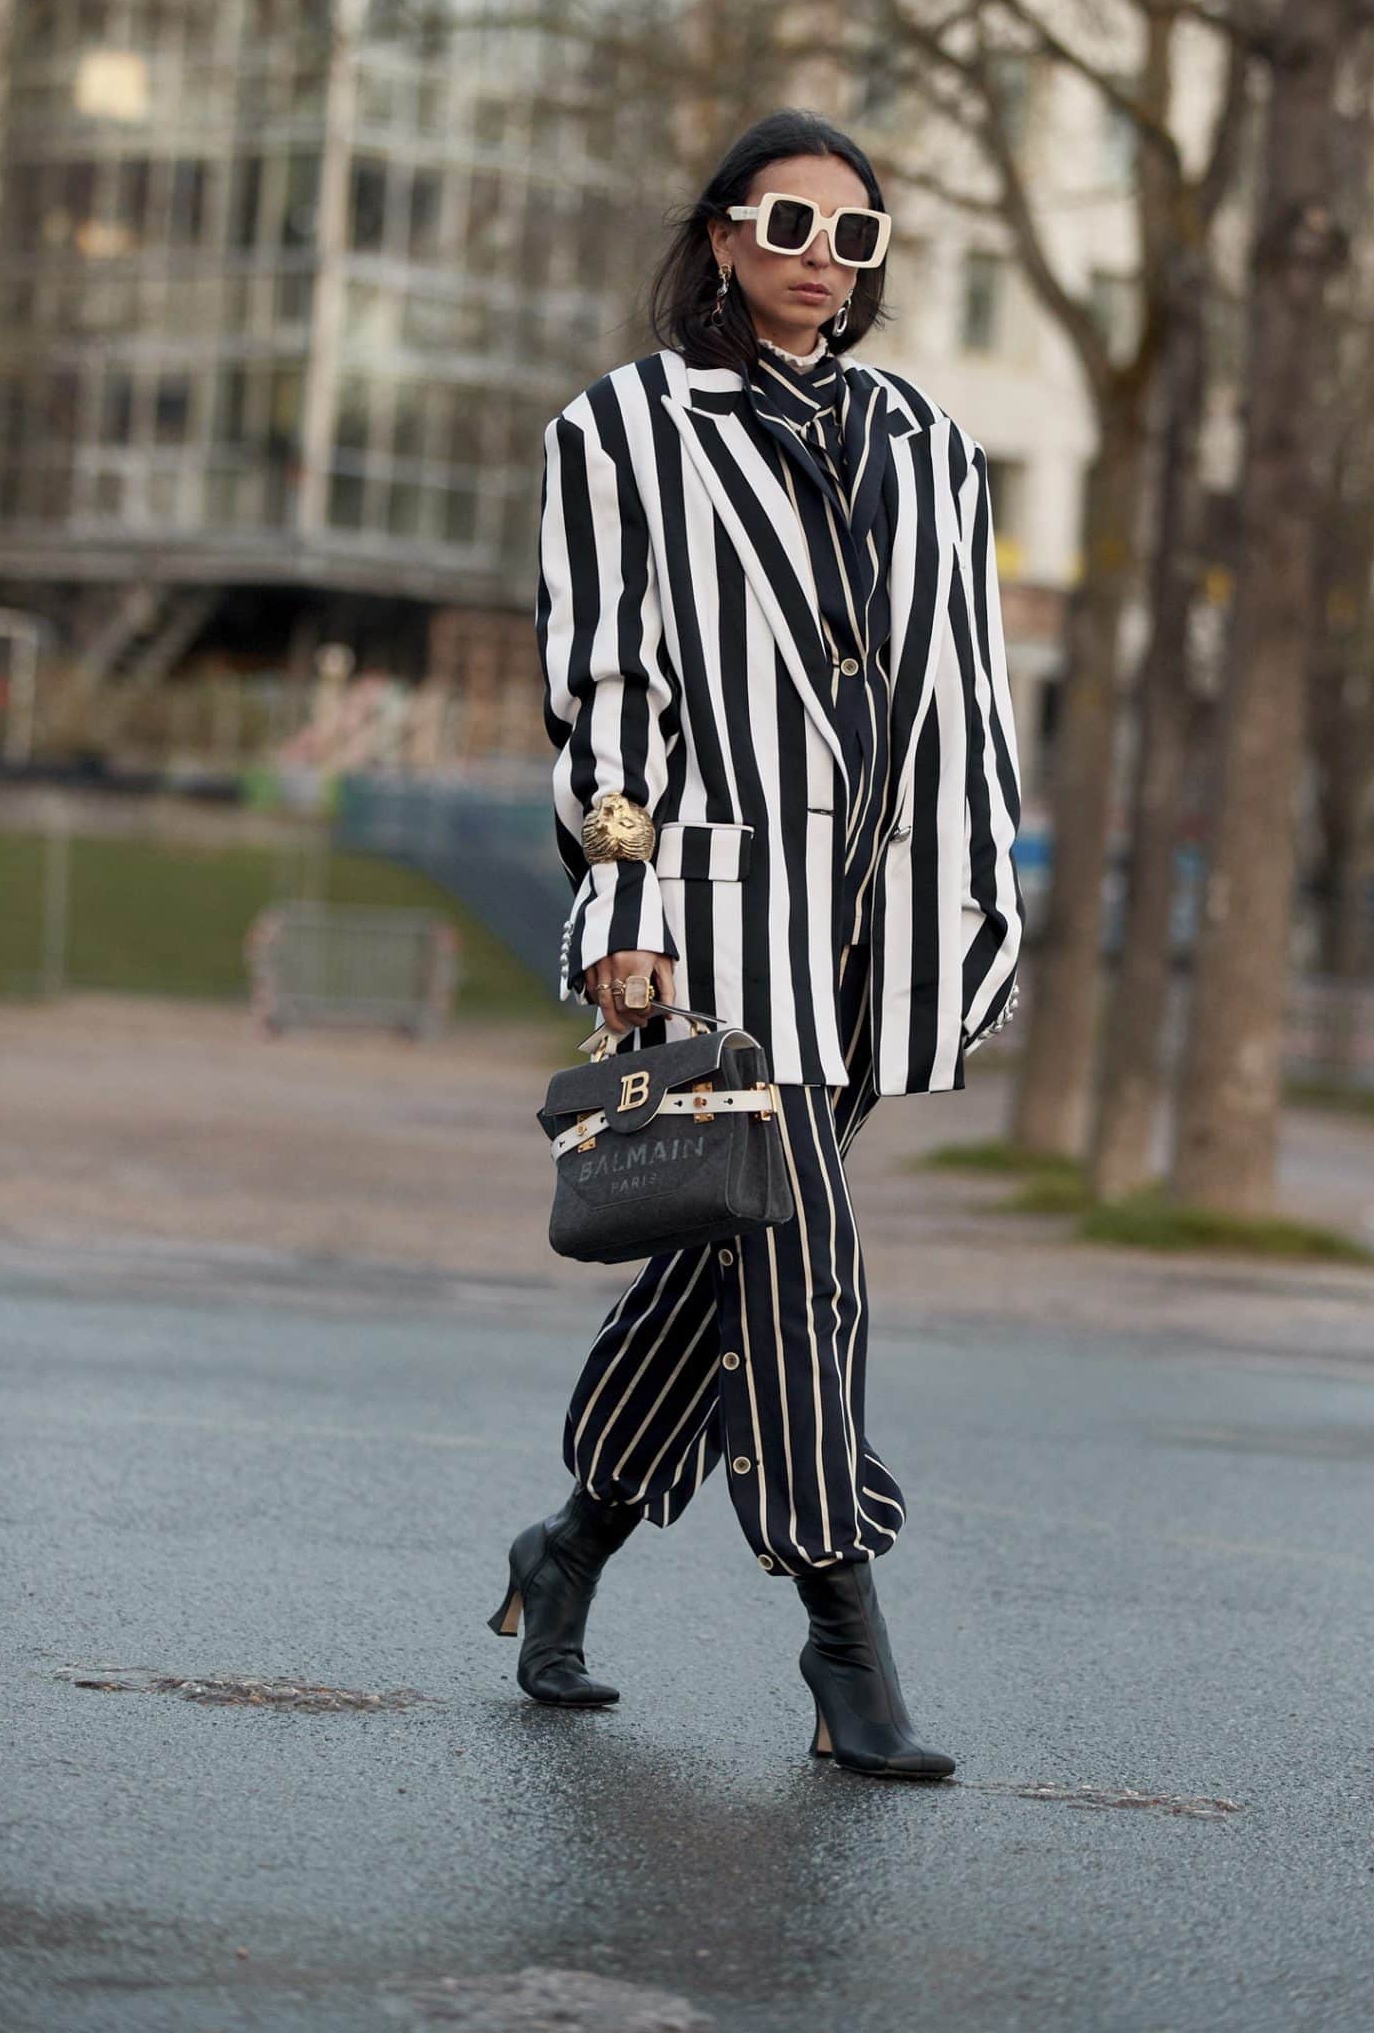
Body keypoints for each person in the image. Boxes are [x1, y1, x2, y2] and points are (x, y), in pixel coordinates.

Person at [489, 107, 1023, 1781]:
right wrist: (620, 909)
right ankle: (842, 1625)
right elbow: (606, 695)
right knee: (801, 1255)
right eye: (788, 224)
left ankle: (570, 1545)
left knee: (734, 1244)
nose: (820, 259)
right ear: (720, 236)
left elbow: (970, 690)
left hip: (882, 922)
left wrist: (981, 902)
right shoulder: (622, 431)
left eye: (854, 237)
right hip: (721, 912)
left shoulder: (930, 444)